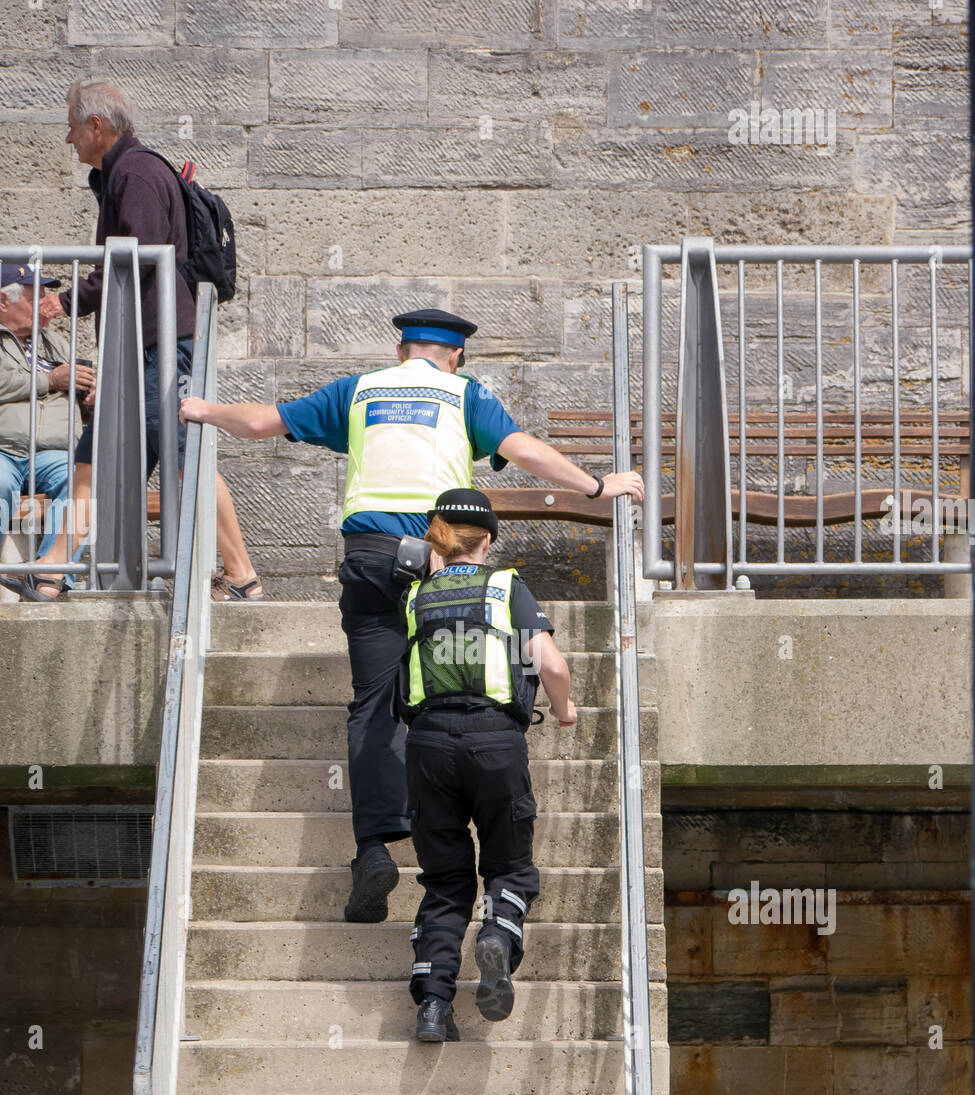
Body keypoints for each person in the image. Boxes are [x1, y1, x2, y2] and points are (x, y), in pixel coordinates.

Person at [178, 307, 644, 921]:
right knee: (449, 689)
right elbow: (524, 450)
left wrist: (203, 410)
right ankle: (462, 832)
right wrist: (596, 487)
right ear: (454, 355)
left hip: (369, 560)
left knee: (373, 699)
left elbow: (261, 422)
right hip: (436, 561)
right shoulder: (462, 395)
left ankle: (374, 846)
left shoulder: (359, 390)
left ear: (401, 352)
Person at [35, 79, 261, 601]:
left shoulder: (135, 172)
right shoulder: (126, 171)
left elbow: (131, 260)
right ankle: (52, 567)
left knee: (185, 461)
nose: (69, 140)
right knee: (93, 458)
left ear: (97, 125)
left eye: (72, 126)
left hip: (158, 348)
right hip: (139, 348)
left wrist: (68, 300)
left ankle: (241, 572)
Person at [402, 488, 577, 1043]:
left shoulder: (416, 596)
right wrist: (565, 711)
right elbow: (550, 663)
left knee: (446, 880)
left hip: (427, 745)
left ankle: (433, 1004)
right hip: (493, 743)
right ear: (490, 540)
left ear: (438, 538)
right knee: (509, 865)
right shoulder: (505, 588)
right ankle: (498, 932)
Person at [0, 263, 94, 600]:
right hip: (3, 449)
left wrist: (91, 392)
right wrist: (50, 380)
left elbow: (81, 392)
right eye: (33, 298)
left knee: (82, 479)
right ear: (3, 302)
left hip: (53, 452)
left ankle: (50, 579)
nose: (44, 306)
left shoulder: (56, 343)